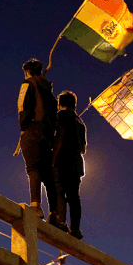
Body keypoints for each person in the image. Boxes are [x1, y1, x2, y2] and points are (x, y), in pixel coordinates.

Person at [17, 59, 66, 230]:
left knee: (33, 168)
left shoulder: (27, 84)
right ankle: (54, 214)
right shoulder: (51, 95)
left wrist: (24, 128)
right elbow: (55, 117)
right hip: (47, 135)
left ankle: (35, 206)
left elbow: (23, 107)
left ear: (27, 72)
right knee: (48, 175)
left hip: (33, 131)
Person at [52, 90, 87, 239]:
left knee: (58, 190)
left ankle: (61, 222)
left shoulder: (57, 118)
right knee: (73, 196)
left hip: (61, 159)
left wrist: (52, 159)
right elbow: (83, 149)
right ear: (75, 105)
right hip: (76, 163)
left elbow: (57, 138)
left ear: (60, 104)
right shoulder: (80, 123)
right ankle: (75, 229)